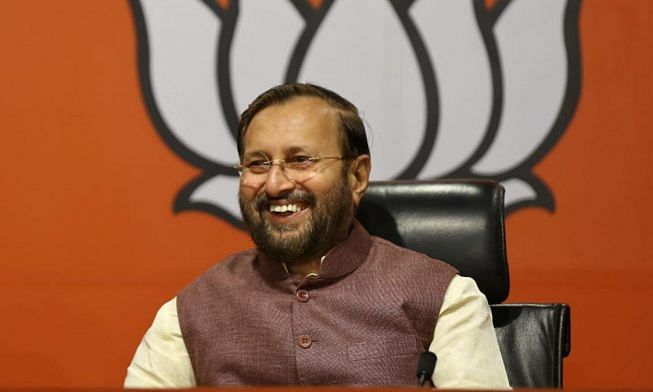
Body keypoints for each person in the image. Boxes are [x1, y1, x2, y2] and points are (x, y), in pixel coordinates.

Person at [124, 83, 510, 389]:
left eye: (300, 160)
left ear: (357, 176)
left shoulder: (445, 299)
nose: (274, 184)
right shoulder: (189, 311)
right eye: (257, 164)